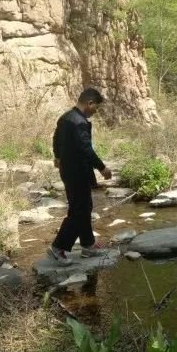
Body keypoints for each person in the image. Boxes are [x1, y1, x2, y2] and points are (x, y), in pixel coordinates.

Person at [49, 87, 112, 265]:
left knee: (83, 207)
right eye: (96, 108)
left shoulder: (65, 117)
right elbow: (86, 149)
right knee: (79, 210)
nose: (95, 112)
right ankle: (57, 248)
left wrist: (57, 156)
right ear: (90, 103)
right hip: (78, 172)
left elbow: (55, 139)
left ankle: (88, 245)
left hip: (68, 170)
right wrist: (102, 168)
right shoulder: (79, 122)